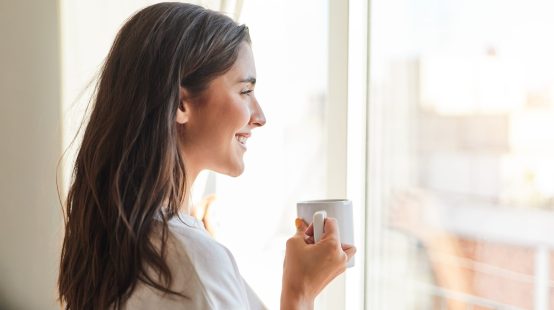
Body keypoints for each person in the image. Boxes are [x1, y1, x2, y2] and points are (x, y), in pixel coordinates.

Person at [57, 3, 356, 310]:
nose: (260, 116)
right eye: (244, 91)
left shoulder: (116, 241)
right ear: (181, 105)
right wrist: (300, 293)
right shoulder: (190, 258)